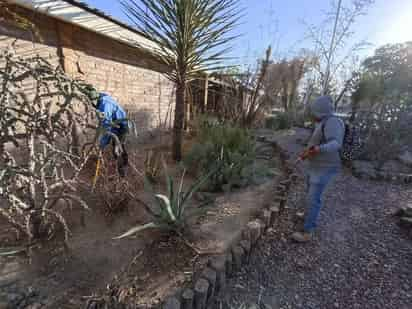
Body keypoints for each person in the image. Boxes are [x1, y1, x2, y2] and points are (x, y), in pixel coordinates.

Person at [292, 95, 345, 242]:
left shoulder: (333, 122)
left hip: (325, 168)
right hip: (316, 166)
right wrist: (306, 153)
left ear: (320, 110)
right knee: (309, 192)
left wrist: (317, 149)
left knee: (314, 198)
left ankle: (307, 232)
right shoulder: (322, 121)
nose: (311, 113)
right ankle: (307, 214)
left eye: (313, 111)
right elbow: (315, 142)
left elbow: (335, 143)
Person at [83, 84, 129, 177]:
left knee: (117, 148)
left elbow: (106, 126)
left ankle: (122, 173)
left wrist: (102, 145)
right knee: (116, 146)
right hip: (115, 123)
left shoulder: (105, 105)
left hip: (121, 125)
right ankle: (123, 164)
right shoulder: (101, 96)